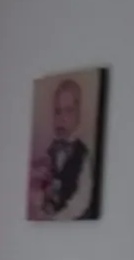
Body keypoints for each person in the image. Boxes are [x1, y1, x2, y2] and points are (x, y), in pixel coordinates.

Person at [36, 78, 94, 220]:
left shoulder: (83, 154)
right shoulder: (50, 152)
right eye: (57, 112)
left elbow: (82, 199)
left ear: (78, 117)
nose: (61, 118)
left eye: (68, 111)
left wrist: (59, 218)